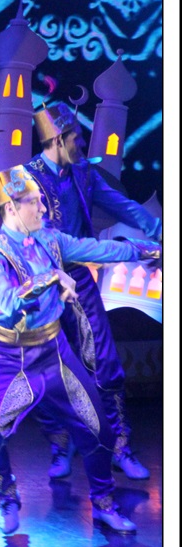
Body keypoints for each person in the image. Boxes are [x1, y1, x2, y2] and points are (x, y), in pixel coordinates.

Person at [0, 165, 160, 536]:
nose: (43, 208)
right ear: (11, 208)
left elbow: (98, 249)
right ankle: (7, 493)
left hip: (55, 355)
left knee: (98, 429)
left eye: (41, 201)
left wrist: (144, 249)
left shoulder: (50, 240)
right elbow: (8, 303)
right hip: (10, 361)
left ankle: (103, 504)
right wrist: (52, 277)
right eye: (34, 202)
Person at [25, 101, 162, 481]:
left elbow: (123, 206)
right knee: (47, 368)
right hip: (41, 286)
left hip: (79, 281)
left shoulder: (84, 174)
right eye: (76, 138)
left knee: (103, 361)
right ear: (57, 139)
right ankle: (60, 445)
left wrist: (158, 231)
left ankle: (119, 446)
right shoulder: (23, 179)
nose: (83, 143)